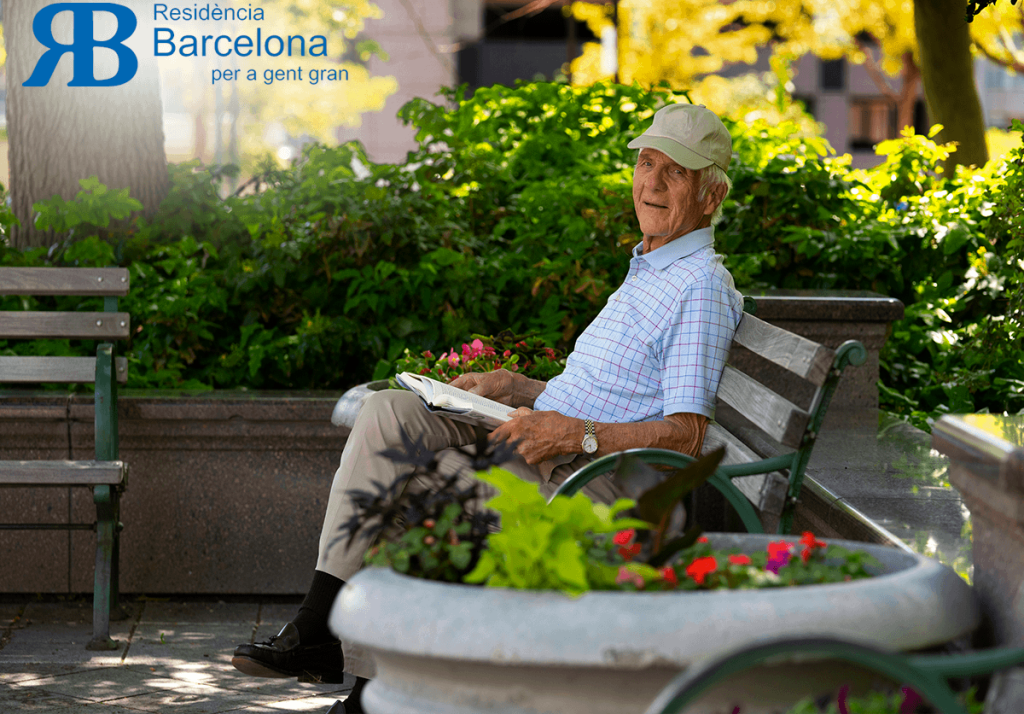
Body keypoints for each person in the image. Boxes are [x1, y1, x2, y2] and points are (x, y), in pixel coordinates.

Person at [230, 103, 745, 711]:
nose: (651, 183)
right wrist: (518, 387)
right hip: (548, 448)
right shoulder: (651, 268)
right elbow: (607, 391)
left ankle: (370, 692)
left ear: (710, 195)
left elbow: (686, 436)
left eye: (675, 173)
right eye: (646, 163)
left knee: (411, 482)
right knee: (389, 414)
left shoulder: (699, 287)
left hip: (590, 485)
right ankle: (318, 628)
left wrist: (574, 435)